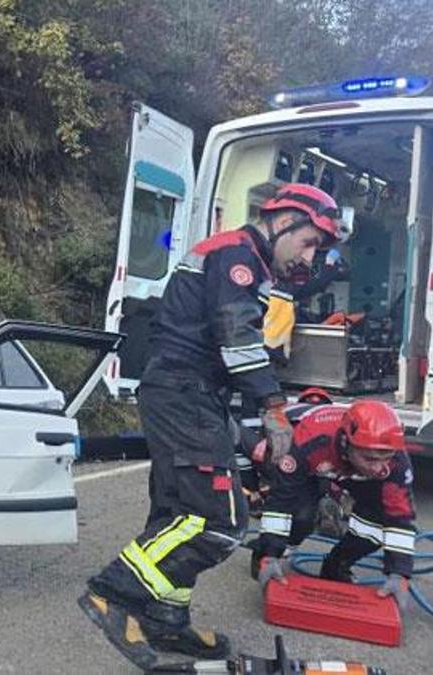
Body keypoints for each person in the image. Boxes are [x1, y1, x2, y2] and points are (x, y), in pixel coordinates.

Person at [78, 183, 350, 670]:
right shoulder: (236, 255)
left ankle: (166, 618)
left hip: (188, 392)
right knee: (219, 521)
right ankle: (112, 590)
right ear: (284, 220)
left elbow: (233, 342)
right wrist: (271, 405)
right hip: (185, 392)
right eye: (309, 242)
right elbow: (235, 337)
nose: (310, 256)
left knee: (176, 513)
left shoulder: (245, 261)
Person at [248, 400, 416, 611]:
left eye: (385, 459)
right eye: (371, 459)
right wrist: (270, 555)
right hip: (313, 465)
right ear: (347, 442)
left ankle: (336, 565)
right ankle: (263, 552)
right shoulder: (310, 440)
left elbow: (400, 518)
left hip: (347, 470)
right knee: (300, 516)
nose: (379, 468)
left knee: (377, 524)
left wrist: (399, 574)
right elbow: (280, 501)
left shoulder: (395, 462)